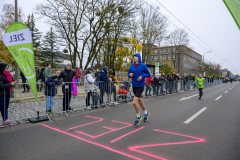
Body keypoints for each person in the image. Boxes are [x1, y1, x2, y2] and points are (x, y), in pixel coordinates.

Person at [128, 53, 150, 125]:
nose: (134, 58)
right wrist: (129, 75)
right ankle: (146, 113)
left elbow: (148, 74)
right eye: (133, 56)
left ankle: (138, 116)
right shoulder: (132, 66)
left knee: (134, 102)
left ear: (139, 58)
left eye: (136, 57)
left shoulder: (143, 65)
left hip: (140, 86)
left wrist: (142, 76)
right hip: (134, 86)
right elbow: (129, 73)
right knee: (140, 101)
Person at [0, 63, 17, 127]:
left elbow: (11, 80)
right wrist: (10, 84)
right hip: (1, 94)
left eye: (8, 67)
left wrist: (15, 81)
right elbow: (1, 85)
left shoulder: (8, 74)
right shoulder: (0, 75)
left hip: (7, 93)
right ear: (2, 68)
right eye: (7, 68)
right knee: (0, 107)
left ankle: (5, 119)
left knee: (5, 107)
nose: (8, 69)